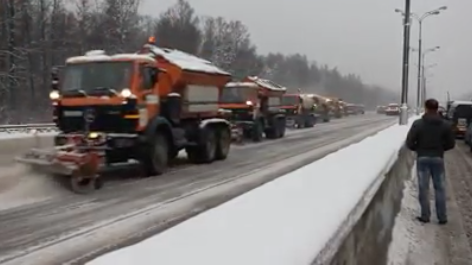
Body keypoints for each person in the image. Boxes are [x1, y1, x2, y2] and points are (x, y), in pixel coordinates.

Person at [406, 98, 455, 225]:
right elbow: (451, 144)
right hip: (438, 159)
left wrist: (419, 149)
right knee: (440, 188)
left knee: (423, 188)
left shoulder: (418, 124)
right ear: (437, 108)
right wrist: (440, 149)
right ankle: (442, 217)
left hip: (422, 158)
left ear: (426, 108)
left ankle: (425, 216)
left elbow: (409, 142)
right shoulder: (445, 125)